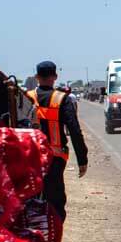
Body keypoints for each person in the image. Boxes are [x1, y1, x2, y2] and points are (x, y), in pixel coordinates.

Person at [25, 61, 88, 221]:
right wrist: (82, 159)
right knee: (55, 203)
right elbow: (74, 130)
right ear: (55, 77)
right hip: (55, 160)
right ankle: (53, 235)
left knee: (29, 200)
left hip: (29, 159)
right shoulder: (62, 99)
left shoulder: (27, 97)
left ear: (37, 77)